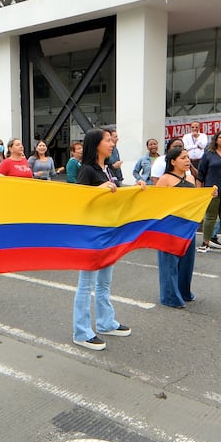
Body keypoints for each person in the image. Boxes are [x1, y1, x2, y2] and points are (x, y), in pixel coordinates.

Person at [71, 127, 131, 350]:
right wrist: (99, 190)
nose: (112, 143)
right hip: (91, 234)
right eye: (107, 140)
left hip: (109, 232)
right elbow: (79, 201)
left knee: (105, 282)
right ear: (96, 144)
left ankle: (106, 322)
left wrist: (137, 190)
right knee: (86, 284)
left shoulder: (109, 169)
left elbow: (118, 195)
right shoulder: (86, 170)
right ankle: (81, 332)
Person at [154, 147, 207, 308]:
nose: (187, 160)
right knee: (169, 263)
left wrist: (209, 194)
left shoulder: (190, 178)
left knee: (187, 261)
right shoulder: (165, 179)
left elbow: (194, 200)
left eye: (188, 157)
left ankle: (184, 292)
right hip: (169, 225)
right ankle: (170, 297)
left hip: (188, 224)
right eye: (183, 158)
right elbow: (157, 202)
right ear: (173, 161)